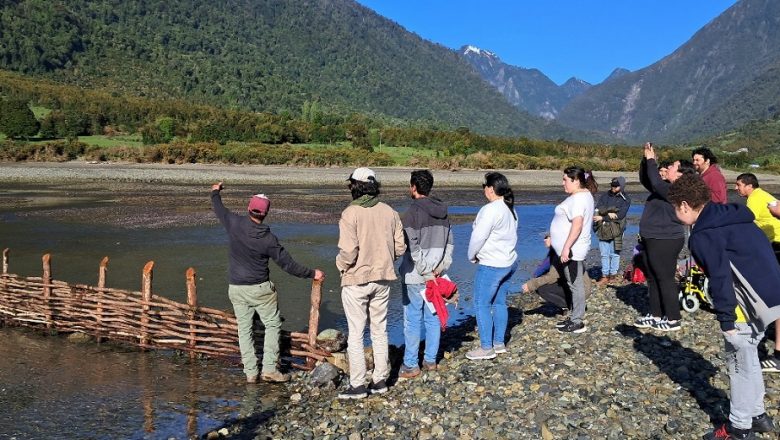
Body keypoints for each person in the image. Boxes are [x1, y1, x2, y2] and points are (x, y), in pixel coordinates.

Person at [668, 174, 779, 440]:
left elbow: (719, 277)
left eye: (674, 208)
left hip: (746, 305)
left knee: (739, 363)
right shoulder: (735, 216)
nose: (675, 213)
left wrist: (726, 318)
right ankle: (757, 415)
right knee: (750, 357)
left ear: (685, 205)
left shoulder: (703, 235)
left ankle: (739, 427)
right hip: (772, 295)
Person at [211, 182, 324, 384]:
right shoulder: (269, 239)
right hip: (260, 289)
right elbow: (289, 265)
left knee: (244, 330)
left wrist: (215, 191)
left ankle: (251, 373)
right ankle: (269, 369)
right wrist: (312, 273)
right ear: (266, 213)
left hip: (236, 288)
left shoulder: (234, 224)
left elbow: (218, 208)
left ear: (249, 208)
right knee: (272, 324)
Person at [336, 167, 405, 399]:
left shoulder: (350, 213)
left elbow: (348, 251)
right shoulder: (390, 212)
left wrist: (341, 265)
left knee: (356, 333)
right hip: (383, 277)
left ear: (354, 186)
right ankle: (380, 380)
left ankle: (357, 385)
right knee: (379, 329)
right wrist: (386, 260)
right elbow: (400, 247)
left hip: (356, 279)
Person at [398, 170, 454, 378]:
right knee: (432, 316)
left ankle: (411, 364)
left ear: (414, 187)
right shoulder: (443, 212)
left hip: (415, 275)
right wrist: (441, 267)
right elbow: (450, 244)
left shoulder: (411, 213)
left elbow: (412, 247)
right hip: (436, 274)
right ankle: (430, 360)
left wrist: (425, 270)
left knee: (412, 319)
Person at [635, 143, 695, 332]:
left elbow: (654, 181)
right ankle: (656, 315)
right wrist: (646, 160)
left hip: (666, 239)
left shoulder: (677, 191)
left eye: (672, 167)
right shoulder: (664, 187)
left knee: (665, 278)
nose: (667, 168)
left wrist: (653, 159)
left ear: (680, 175)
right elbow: (647, 179)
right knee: (653, 278)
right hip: (652, 237)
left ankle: (673, 319)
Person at [466, 172, 518, 360]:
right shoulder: (509, 209)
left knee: (481, 304)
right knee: (499, 302)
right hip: (509, 262)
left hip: (492, 264)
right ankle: (499, 343)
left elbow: (478, 237)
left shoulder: (490, 210)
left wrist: (471, 256)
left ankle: (486, 347)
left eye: (484, 187)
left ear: (490, 189)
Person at [734, 173, 780, 374]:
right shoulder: (764, 195)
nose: (736, 189)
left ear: (748, 186)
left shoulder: (754, 198)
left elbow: (743, 222)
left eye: (738, 185)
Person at [550, 166, 597, 333]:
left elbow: (577, 225)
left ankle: (577, 321)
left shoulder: (578, 199)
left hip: (573, 250)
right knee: (573, 283)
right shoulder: (584, 195)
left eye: (565, 180)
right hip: (573, 248)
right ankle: (574, 316)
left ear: (576, 181)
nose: (563, 183)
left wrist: (566, 248)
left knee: (575, 284)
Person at [522, 233, 592, 311]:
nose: (544, 240)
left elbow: (552, 277)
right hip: (578, 286)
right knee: (541, 280)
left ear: (554, 238)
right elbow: (542, 269)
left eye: (546, 237)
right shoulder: (557, 250)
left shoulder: (560, 252)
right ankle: (574, 303)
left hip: (581, 289)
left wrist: (531, 284)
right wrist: (535, 278)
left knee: (542, 288)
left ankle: (573, 305)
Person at [593, 176, 631, 285]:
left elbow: (620, 215)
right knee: (604, 253)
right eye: (612, 185)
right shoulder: (605, 196)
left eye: (616, 186)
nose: (613, 188)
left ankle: (613, 274)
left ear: (622, 186)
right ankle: (605, 275)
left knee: (615, 253)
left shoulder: (626, 199)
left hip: (618, 228)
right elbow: (598, 209)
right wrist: (609, 213)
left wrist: (604, 215)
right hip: (603, 228)